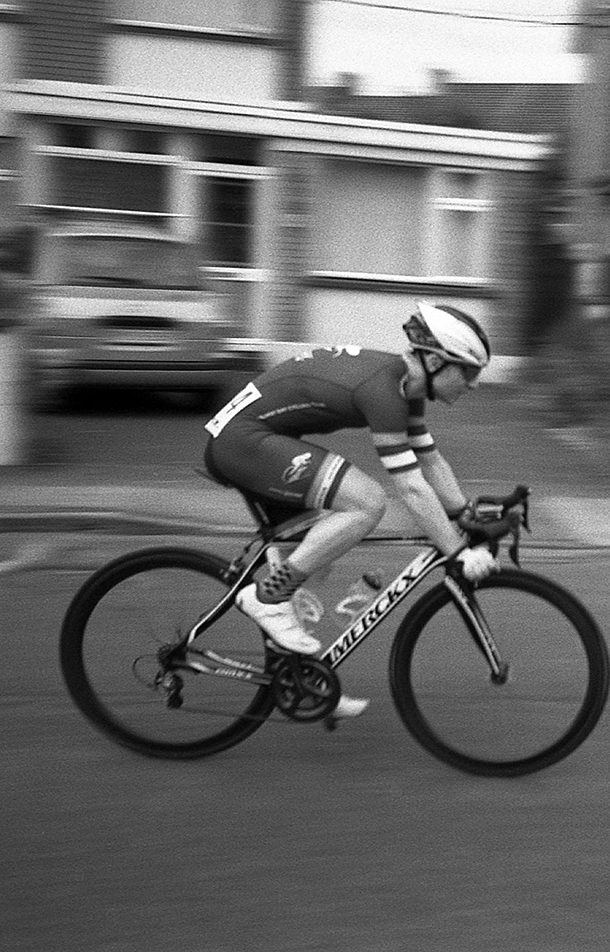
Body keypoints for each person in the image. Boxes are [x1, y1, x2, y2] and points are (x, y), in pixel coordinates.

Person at [202, 301, 500, 718]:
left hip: (256, 438)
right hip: (242, 442)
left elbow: (430, 462)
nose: (474, 384)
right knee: (366, 502)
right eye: (469, 371)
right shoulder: (383, 389)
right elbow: (411, 488)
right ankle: (268, 597)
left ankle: (302, 677)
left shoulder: (406, 389)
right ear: (434, 361)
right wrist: (457, 550)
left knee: (317, 556)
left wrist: (466, 514)